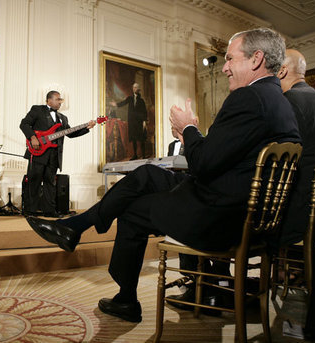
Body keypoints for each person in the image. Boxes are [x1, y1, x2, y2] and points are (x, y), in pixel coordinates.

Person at [25, 27, 301, 323]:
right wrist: (191, 134)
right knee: (146, 174)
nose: (225, 67)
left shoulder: (248, 98)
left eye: (230, 59)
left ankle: (125, 298)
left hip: (220, 219)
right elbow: (226, 157)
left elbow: (203, 164)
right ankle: (76, 226)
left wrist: (188, 130)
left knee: (132, 211)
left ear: (256, 59)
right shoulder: (278, 101)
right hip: (246, 213)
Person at [276, 49, 315, 246]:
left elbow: (279, 160)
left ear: (281, 71)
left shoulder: (289, 101)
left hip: (300, 214)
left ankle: (217, 274)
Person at [20, 91, 96, 217]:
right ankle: (30, 211)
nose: (60, 102)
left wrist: (86, 127)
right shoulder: (37, 110)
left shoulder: (63, 118)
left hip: (54, 155)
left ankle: (49, 211)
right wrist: (32, 137)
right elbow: (24, 124)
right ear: (49, 100)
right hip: (38, 152)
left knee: (50, 183)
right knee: (34, 181)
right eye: (58, 99)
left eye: (61, 100)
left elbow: (70, 133)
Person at [111, 83, 148, 159]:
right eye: (134, 87)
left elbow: (144, 111)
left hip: (139, 122)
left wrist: (144, 121)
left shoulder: (141, 100)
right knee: (133, 138)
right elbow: (123, 103)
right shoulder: (130, 98)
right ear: (132, 89)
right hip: (132, 122)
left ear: (139, 89)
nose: (135, 89)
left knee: (141, 138)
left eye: (136, 87)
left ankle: (144, 155)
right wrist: (116, 104)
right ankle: (135, 155)